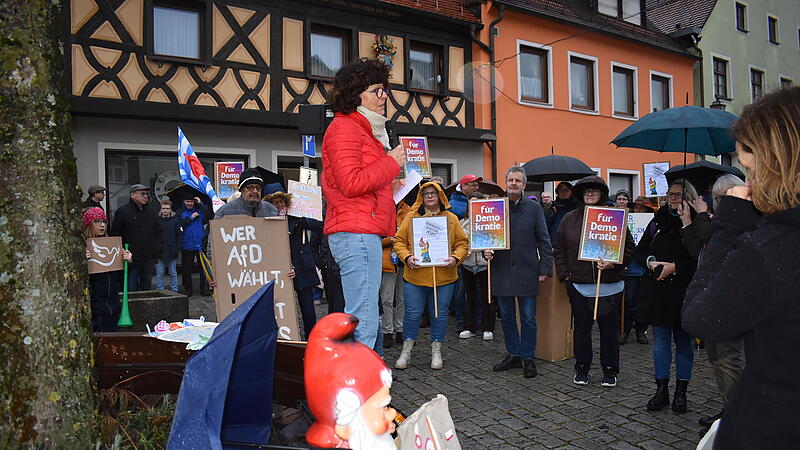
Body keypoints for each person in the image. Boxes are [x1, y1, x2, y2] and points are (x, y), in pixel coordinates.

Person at [683, 88, 800, 449]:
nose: (748, 182)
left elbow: (700, 318)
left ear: (778, 162)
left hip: (772, 424)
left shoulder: (773, 248)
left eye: (749, 168)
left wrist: (730, 226)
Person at [321, 58, 406, 349]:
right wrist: (391, 164)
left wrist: (388, 184)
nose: (384, 97)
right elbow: (351, 183)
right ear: (356, 94)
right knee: (364, 318)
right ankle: (360, 388)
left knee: (364, 314)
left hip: (359, 229)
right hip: (356, 232)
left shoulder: (359, 129)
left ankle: (361, 382)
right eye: (377, 90)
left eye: (384, 90)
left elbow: (357, 183)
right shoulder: (346, 128)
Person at [554, 176, 634, 387]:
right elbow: (559, 249)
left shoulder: (615, 218)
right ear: (580, 194)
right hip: (579, 284)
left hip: (609, 284)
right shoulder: (569, 219)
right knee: (582, 328)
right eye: (586, 191)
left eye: (594, 191)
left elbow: (628, 249)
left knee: (609, 330)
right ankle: (582, 367)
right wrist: (566, 275)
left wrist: (614, 264)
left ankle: (610, 369)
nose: (590, 194)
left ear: (601, 195)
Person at [634, 179, 702, 413]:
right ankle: (661, 389)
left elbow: (699, 257)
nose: (673, 199)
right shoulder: (658, 220)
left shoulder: (697, 221)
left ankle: (681, 392)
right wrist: (651, 263)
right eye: (670, 194)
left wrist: (676, 267)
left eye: (678, 195)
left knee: (684, 343)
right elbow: (640, 251)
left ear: (689, 197)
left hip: (684, 291)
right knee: (661, 342)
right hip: (658, 291)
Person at [688, 174, 746, 429]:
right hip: (712, 297)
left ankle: (736, 415)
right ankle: (726, 410)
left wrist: (700, 213)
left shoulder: (739, 219)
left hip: (730, 300)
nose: (717, 202)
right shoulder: (722, 218)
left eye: (721, 198)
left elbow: (711, 237)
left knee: (727, 358)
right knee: (714, 356)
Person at [484, 166, 552, 378]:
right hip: (501, 270)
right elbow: (485, 236)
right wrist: (486, 249)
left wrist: (545, 267)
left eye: (517, 181)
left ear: (524, 185)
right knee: (506, 316)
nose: (513, 183)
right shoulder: (495, 207)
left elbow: (544, 239)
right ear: (506, 183)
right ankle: (513, 353)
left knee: (528, 317)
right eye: (510, 180)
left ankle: (528, 356)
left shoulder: (534, 208)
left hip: (527, 271)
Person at [393, 182, 469, 370]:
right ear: (421, 197)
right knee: (411, 314)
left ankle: (437, 349)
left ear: (440, 196)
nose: (429, 196)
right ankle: (407, 349)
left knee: (439, 314)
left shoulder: (451, 219)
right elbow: (399, 241)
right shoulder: (410, 218)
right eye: (425, 193)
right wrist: (407, 257)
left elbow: (462, 243)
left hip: (443, 277)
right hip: (415, 276)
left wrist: (455, 258)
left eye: (433, 193)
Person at [304, 313, 397, 450]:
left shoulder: (366, 438)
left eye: (387, 407)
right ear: (345, 426)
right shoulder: (363, 439)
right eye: (383, 408)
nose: (393, 413)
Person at [266, 187, 322, 339]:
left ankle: (311, 338)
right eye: (275, 202)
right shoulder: (267, 219)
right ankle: (284, 336)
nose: (279, 205)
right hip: (280, 268)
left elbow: (320, 225)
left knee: (307, 306)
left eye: (281, 201)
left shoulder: (297, 217)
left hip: (302, 266)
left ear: (286, 202)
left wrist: (306, 222)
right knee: (281, 305)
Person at [83, 207, 132, 331]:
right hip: (94, 309)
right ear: (89, 224)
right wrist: (81, 263)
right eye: (97, 221)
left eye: (104, 222)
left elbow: (120, 277)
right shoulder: (81, 246)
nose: (102, 225)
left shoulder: (112, 246)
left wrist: (127, 261)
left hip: (113, 306)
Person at [110, 184, 162, 291]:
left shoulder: (151, 213)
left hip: (148, 258)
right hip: (131, 259)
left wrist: (157, 250)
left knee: (146, 288)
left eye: (146, 194)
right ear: (133, 195)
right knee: (131, 288)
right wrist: (122, 251)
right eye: (142, 194)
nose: (145, 196)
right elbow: (115, 234)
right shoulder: (123, 212)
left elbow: (159, 232)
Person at [458, 192, 494, 341]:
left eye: (476, 203)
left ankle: (488, 327)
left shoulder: (490, 222)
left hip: (485, 264)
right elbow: (458, 242)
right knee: (469, 297)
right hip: (468, 264)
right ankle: (469, 326)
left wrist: (491, 250)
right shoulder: (462, 223)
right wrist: (463, 252)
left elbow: (497, 240)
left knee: (488, 297)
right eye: (471, 203)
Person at [620, 198, 655, 345]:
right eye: (636, 209)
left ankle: (641, 331)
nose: (638, 211)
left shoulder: (653, 225)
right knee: (630, 301)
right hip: (631, 269)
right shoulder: (626, 222)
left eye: (642, 209)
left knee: (645, 302)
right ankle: (625, 330)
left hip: (646, 269)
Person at [380, 202, 412, 349]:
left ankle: (400, 330)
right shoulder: (381, 210)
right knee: (386, 298)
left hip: (403, 260)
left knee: (402, 298)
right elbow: (376, 238)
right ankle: (388, 331)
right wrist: (390, 240)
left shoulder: (409, 211)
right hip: (388, 260)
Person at [215, 167, 279, 219]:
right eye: (250, 187)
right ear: (241, 190)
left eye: (258, 187)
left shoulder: (271, 211)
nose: (255, 191)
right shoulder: (225, 212)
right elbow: (214, 233)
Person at [180, 195, 212, 296]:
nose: (189, 203)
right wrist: (191, 218)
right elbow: (180, 224)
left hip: (200, 243)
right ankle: (188, 289)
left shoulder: (199, 210)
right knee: (187, 269)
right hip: (187, 244)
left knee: (203, 268)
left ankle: (204, 288)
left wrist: (200, 204)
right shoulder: (180, 212)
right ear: (184, 202)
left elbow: (208, 217)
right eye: (187, 201)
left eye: (191, 201)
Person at [155, 199, 180, 292]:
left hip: (172, 249)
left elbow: (179, 235)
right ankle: (160, 290)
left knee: (173, 272)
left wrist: (177, 247)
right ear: (160, 209)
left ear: (170, 209)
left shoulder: (175, 221)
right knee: (159, 272)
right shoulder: (157, 220)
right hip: (160, 250)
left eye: (167, 208)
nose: (165, 210)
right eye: (163, 208)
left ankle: (174, 290)